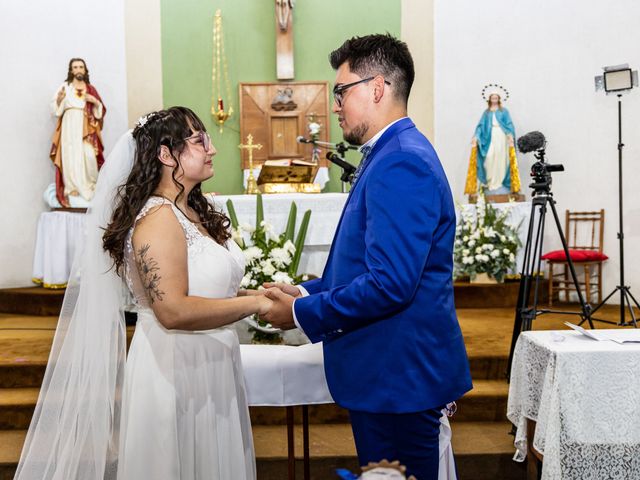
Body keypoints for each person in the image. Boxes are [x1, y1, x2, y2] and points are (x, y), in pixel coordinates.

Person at [15, 107, 269, 479]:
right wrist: (256, 304)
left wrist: (262, 293)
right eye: (200, 141)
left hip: (212, 364)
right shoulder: (157, 218)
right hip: (175, 366)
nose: (212, 149)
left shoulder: (194, 210)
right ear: (166, 155)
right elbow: (173, 310)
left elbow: (207, 287)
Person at [261, 34, 472, 479]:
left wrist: (300, 312)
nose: (335, 105)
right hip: (392, 375)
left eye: (341, 92)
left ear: (377, 88)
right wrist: (302, 289)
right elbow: (366, 267)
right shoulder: (392, 154)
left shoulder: (401, 161)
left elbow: (390, 284)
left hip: (400, 378)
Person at [50, 58, 106, 207]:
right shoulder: (65, 86)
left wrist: (94, 101)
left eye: (81, 67)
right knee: (70, 155)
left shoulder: (90, 89)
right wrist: (59, 100)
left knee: (88, 154)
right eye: (75, 67)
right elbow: (56, 110)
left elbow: (99, 112)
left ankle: (90, 184)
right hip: (69, 124)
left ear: (85, 70)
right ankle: (72, 187)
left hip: (85, 125)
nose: (78, 69)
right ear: (71, 70)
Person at [465, 87, 521, 195]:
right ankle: (491, 183)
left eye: (496, 97)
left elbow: (509, 124)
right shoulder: (486, 113)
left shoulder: (503, 112)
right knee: (489, 158)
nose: (494, 99)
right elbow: (480, 127)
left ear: (499, 99)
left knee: (501, 159)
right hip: (489, 138)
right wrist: (476, 137)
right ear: (489, 99)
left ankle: (500, 184)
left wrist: (510, 135)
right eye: (492, 97)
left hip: (501, 137)